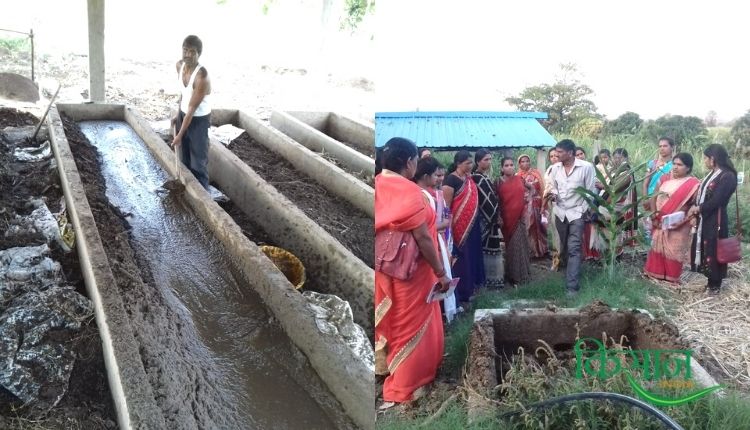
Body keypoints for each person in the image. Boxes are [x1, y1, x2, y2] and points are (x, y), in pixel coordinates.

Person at [374, 138, 450, 406]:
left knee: (396, 320)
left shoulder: (378, 184)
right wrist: (440, 271)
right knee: (412, 324)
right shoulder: (409, 192)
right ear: (409, 162)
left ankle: (390, 368)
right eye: (416, 160)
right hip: (413, 271)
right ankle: (406, 384)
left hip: (387, 267)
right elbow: (424, 239)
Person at [545, 139, 597, 295]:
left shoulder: (586, 167)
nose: (556, 155)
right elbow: (552, 186)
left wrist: (582, 211)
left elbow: (590, 191)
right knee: (565, 246)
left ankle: (572, 287)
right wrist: (553, 195)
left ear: (570, 153)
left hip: (577, 213)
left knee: (574, 247)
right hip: (560, 212)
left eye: (560, 152)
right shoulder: (554, 168)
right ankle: (569, 272)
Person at [688, 144, 739, 295]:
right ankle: (710, 281)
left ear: (713, 158)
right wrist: (695, 211)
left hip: (716, 218)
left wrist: (698, 208)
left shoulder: (727, 176)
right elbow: (703, 195)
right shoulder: (713, 173)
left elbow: (718, 200)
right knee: (706, 248)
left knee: (714, 249)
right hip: (706, 217)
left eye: (705, 157)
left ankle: (715, 285)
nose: (704, 161)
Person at [643, 153, 700, 283]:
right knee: (657, 246)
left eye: (679, 165)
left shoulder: (693, 184)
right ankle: (655, 273)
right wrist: (653, 215)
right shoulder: (664, 179)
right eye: (674, 164)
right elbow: (654, 197)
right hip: (659, 220)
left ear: (688, 168)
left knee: (674, 249)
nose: (675, 167)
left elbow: (694, 205)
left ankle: (671, 277)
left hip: (679, 224)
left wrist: (684, 218)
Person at [443, 151, 484, 307]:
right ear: (458, 163)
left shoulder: (468, 179)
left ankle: (472, 286)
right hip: (457, 227)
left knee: (472, 254)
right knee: (461, 257)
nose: (471, 165)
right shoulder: (450, 180)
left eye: (471, 162)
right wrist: (448, 228)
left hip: (472, 224)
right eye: (467, 163)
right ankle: (462, 292)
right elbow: (446, 207)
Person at [172, 35, 212, 190]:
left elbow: (192, 109)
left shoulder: (202, 77)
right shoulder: (179, 66)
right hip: (184, 114)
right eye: (185, 50)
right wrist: (177, 114)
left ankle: (205, 198)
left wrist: (179, 135)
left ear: (199, 54)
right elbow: (183, 94)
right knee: (185, 158)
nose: (187, 54)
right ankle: (189, 192)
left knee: (198, 162)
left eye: (192, 52)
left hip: (198, 120)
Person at [497, 157, 532, 285]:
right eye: (506, 165)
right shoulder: (498, 182)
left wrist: (528, 197)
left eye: (511, 165)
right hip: (506, 219)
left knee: (521, 245)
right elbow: (496, 201)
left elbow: (531, 188)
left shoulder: (519, 179)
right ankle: (512, 275)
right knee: (511, 247)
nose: (510, 167)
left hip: (519, 218)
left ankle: (522, 275)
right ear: (501, 168)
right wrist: (498, 217)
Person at [472, 150, 504, 288]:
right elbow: (483, 201)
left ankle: (494, 280)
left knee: (493, 247)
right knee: (484, 249)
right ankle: (486, 281)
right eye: (485, 159)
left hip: (492, 220)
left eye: (490, 159)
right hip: (484, 220)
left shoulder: (486, 177)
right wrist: (493, 216)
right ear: (478, 161)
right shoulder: (475, 178)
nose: (489, 162)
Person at [431, 163, 457, 322]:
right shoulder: (424, 195)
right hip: (434, 238)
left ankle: (443, 309)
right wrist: (444, 224)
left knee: (446, 267)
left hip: (443, 237)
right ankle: (438, 310)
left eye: (442, 175)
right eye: (437, 175)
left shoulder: (438, 193)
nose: (441, 178)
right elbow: (426, 226)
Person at [642, 137, 676, 241]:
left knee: (664, 229)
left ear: (672, 148)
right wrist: (645, 199)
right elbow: (645, 183)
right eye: (660, 146)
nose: (662, 148)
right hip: (651, 199)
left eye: (665, 146)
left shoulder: (675, 165)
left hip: (665, 201)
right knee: (649, 229)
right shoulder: (652, 164)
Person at [517, 154, 548, 258]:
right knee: (527, 227)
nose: (525, 163)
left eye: (527, 161)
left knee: (538, 227)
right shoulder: (517, 176)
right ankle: (529, 251)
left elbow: (542, 189)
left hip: (536, 204)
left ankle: (541, 251)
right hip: (524, 206)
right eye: (522, 161)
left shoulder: (536, 174)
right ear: (519, 163)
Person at [544, 148, 562, 270]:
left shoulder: (562, 169)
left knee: (561, 234)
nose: (554, 158)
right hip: (552, 203)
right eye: (551, 156)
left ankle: (559, 261)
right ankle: (556, 260)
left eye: (556, 155)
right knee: (555, 233)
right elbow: (547, 187)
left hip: (562, 204)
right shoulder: (550, 169)